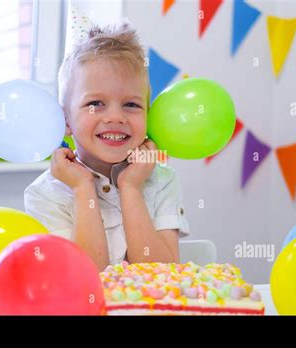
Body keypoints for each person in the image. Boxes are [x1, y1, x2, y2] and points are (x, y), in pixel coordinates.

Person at [24, 23, 189, 271]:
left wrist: (131, 187)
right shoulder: (45, 195)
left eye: (131, 105)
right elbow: (83, 277)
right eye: (96, 103)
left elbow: (162, 274)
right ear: (65, 120)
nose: (116, 117)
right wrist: (82, 188)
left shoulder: (162, 181)